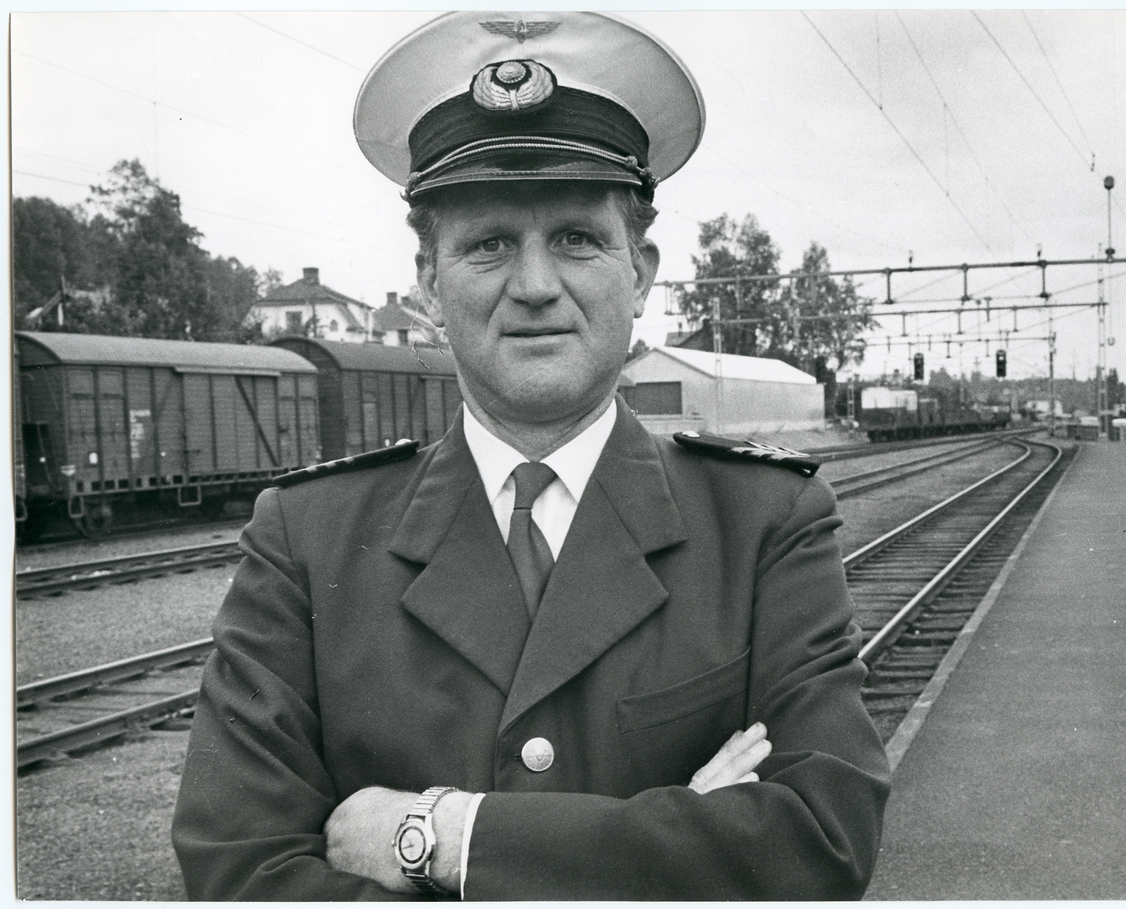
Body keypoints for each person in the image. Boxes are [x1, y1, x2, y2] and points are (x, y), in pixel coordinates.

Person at [172, 12, 889, 900]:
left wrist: (442, 837)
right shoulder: (305, 539)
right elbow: (239, 871)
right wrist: (684, 840)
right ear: (429, 282)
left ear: (641, 270)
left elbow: (819, 842)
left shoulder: (765, 521)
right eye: (490, 244)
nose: (537, 285)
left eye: (578, 238)